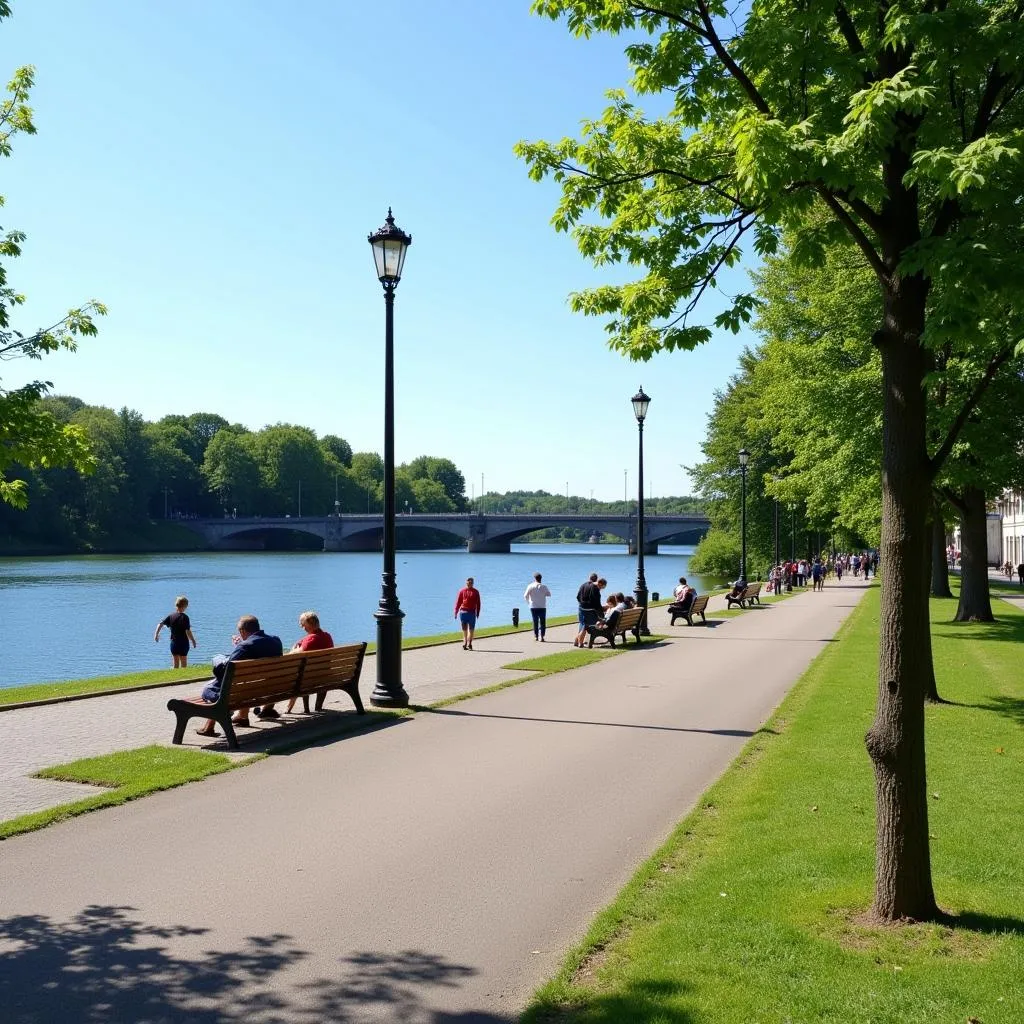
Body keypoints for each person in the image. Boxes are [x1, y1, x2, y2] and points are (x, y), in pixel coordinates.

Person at [195, 615, 283, 736]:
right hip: (266, 689)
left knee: (207, 689)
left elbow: (224, 672)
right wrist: (240, 645)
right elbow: (255, 652)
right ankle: (242, 716)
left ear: (242, 631)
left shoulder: (245, 646)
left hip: (238, 693)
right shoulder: (276, 641)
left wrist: (218, 661)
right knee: (244, 682)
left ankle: (211, 725)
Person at [279, 611, 335, 715]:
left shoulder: (310, 640)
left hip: (308, 678)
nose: (301, 627)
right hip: (325, 674)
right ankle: (318, 707)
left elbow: (293, 654)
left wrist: (295, 648)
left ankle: (291, 708)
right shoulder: (327, 636)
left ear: (309, 624)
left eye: (303, 624)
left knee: (296, 676)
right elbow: (306, 642)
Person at [153, 596, 197, 668]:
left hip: (174, 643)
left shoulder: (171, 616)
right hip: (183, 643)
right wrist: (193, 640)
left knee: (175, 665)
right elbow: (188, 631)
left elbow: (160, 624)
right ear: (185, 606)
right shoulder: (185, 617)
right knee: (184, 665)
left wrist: (156, 634)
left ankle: (176, 674)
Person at [575, 572, 604, 647]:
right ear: (596, 580)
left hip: (581, 608)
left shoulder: (583, 585)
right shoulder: (595, 588)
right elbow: (597, 603)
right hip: (589, 610)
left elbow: (578, 597)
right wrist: (601, 615)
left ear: (589, 578)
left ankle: (577, 641)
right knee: (586, 625)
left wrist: (582, 604)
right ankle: (580, 643)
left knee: (582, 624)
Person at [454, 576, 482, 650]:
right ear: (466, 582)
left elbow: (478, 603)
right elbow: (458, 602)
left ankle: (470, 643)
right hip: (463, 613)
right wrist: (456, 612)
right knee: (464, 629)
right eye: (468, 582)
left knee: (471, 629)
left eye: (471, 583)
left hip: (472, 613)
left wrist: (478, 613)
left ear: (473, 583)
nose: (469, 584)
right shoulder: (462, 591)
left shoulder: (476, 592)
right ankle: (465, 643)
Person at [523, 572, 552, 642]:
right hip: (542, 606)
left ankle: (536, 636)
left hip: (533, 606)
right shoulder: (544, 586)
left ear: (534, 578)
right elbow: (549, 594)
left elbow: (525, 596)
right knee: (542, 622)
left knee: (535, 621)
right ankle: (542, 636)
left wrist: (528, 602)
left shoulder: (530, 586)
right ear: (541, 578)